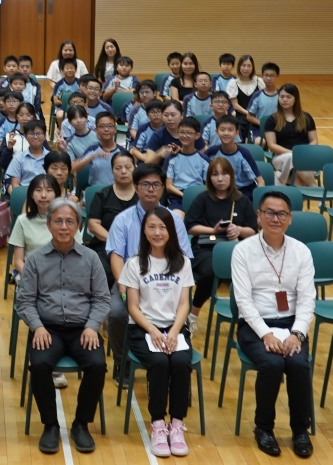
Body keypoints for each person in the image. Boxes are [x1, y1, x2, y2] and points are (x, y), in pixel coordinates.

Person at [15, 198, 111, 455]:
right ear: (48, 225)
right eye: (58, 221)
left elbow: (103, 299)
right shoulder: (35, 260)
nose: (64, 227)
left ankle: (81, 424)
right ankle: (50, 425)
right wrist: (37, 327)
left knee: (97, 365)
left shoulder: (91, 258)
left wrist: (92, 326)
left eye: (70, 221)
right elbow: (24, 301)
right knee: (39, 364)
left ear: (78, 226)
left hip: (83, 328)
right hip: (48, 328)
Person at [231, 191, 315, 458]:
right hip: (255, 325)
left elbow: (307, 299)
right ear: (258, 216)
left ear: (290, 219)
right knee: (272, 364)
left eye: (281, 214)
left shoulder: (301, 251)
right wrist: (266, 334)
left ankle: (300, 430)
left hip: (291, 324)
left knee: (298, 364)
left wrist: (297, 334)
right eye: (269, 212)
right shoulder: (243, 250)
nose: (275, 218)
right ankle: (264, 428)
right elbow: (243, 301)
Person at [121, 206, 194, 458]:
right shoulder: (134, 263)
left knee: (181, 362)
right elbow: (132, 307)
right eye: (151, 227)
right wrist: (153, 330)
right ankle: (158, 425)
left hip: (174, 328)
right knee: (160, 362)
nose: (157, 232)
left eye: (162, 227)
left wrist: (173, 332)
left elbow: (184, 304)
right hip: (143, 329)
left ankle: (177, 424)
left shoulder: (183, 262)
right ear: (144, 231)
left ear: (171, 231)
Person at [106, 164, 192, 378]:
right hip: (130, 281)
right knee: (117, 313)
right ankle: (123, 362)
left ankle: (173, 361)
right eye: (145, 184)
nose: (151, 189)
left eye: (156, 184)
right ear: (136, 187)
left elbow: (184, 257)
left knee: (179, 311)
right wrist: (123, 286)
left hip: (168, 282)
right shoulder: (122, 219)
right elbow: (116, 255)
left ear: (163, 188)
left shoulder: (174, 220)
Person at [185, 157, 257, 332]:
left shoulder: (242, 200)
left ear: (231, 176)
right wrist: (214, 230)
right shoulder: (202, 199)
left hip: (235, 249)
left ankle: (250, 318)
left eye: (224, 174)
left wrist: (238, 230)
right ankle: (193, 315)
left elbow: (253, 230)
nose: (220, 179)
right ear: (209, 178)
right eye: (215, 175)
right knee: (211, 271)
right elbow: (190, 227)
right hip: (206, 248)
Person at [85, 152, 138, 286]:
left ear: (135, 168)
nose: (123, 171)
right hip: (106, 245)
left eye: (128, 167)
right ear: (112, 171)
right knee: (101, 273)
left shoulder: (143, 195)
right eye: (118, 168)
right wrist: (116, 241)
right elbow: (93, 224)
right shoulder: (102, 195)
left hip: (138, 246)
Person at [263, 83, 318, 186]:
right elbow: (272, 145)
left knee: (296, 177)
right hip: (281, 157)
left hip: (304, 157)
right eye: (282, 97)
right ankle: (314, 187)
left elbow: (314, 140)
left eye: (288, 97)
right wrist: (294, 154)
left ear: (295, 99)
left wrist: (304, 153)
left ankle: (296, 194)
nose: (284, 100)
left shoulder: (306, 117)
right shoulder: (272, 119)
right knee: (292, 158)